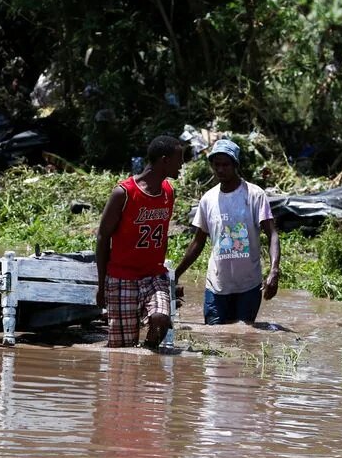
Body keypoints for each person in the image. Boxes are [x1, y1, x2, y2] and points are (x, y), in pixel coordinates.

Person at [174, 139, 280, 325]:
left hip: (248, 286)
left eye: (225, 165)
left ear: (235, 165)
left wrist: (274, 270)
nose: (220, 169)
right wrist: (176, 274)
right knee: (214, 337)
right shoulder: (208, 199)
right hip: (216, 286)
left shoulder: (254, 195)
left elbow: (272, 234)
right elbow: (198, 242)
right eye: (216, 165)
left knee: (244, 337)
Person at [95, 135, 185, 349]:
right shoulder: (124, 193)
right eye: (179, 159)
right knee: (121, 349)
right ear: (165, 160)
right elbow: (103, 236)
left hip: (154, 275)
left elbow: (162, 236)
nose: (182, 164)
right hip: (121, 278)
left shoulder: (168, 192)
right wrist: (102, 285)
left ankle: (148, 354)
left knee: (161, 318)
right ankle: (138, 365)